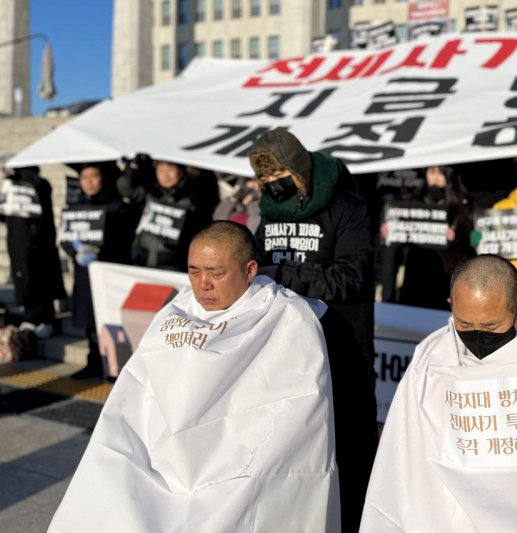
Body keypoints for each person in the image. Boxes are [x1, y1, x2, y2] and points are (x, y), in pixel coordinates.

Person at [49, 220, 340, 532]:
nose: (203, 284)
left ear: (250, 270)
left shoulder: (289, 317)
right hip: (161, 451)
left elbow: (294, 409)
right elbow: (138, 387)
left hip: (241, 459)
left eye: (216, 272)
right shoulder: (177, 310)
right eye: (194, 271)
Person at [361, 255, 517, 532]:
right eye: (464, 324)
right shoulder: (430, 359)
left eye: (491, 327)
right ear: (451, 306)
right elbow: (404, 456)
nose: (477, 335)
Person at [249, 128, 377, 532]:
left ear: (299, 169)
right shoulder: (270, 211)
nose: (275, 188)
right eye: (267, 183)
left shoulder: (347, 207)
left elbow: (352, 278)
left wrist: (285, 274)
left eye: (281, 177)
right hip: (287, 350)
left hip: (341, 348)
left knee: (350, 451)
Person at [64, 162, 137, 379]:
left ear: (103, 180)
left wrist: (100, 249)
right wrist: (74, 250)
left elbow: (126, 238)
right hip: (83, 273)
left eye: (94, 177)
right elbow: (66, 238)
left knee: (110, 318)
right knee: (89, 320)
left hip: (108, 271)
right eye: (84, 178)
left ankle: (116, 365)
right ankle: (93, 362)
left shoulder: (119, 207)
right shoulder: (74, 207)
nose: (89, 182)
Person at [396, 165, 476, 309]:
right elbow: (401, 227)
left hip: (450, 271)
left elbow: (475, 236)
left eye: (440, 174)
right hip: (418, 269)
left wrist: (457, 236)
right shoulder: (415, 200)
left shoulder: (462, 202)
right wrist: (392, 228)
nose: (435, 178)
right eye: (431, 172)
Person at [0, 165, 66, 337]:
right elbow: (6, 213)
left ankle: (46, 319)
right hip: (17, 243)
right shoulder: (11, 187)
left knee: (42, 280)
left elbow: (40, 196)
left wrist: (19, 176)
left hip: (39, 243)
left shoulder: (39, 184)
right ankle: (30, 316)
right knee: (24, 280)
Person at [120, 158, 217, 271]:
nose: (166, 176)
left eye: (170, 170)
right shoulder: (149, 193)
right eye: (161, 171)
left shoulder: (195, 198)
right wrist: (134, 167)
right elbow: (125, 188)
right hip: (141, 261)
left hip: (174, 266)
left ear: (181, 170)